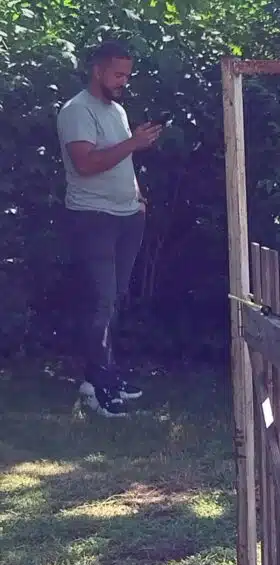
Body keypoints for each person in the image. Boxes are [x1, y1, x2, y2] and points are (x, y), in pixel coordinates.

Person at [56, 40, 161, 417]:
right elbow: (85, 164)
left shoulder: (117, 110)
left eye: (127, 75)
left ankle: (104, 375)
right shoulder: (77, 110)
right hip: (94, 217)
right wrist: (134, 141)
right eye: (117, 74)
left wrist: (138, 196)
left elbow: (120, 161)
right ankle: (98, 387)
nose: (123, 82)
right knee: (100, 302)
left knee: (113, 299)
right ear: (97, 70)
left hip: (128, 216)